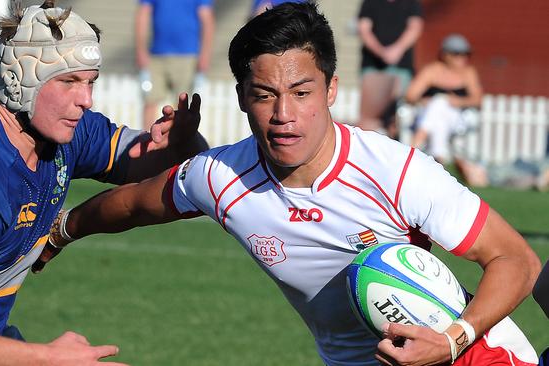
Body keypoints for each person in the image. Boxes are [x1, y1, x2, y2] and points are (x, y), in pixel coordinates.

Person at [36, 2, 541, 365]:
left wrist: (453, 340)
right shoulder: (220, 178)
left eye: (302, 92)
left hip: (478, 356)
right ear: (240, 97)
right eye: (265, 95)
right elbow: (132, 205)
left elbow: (516, 259)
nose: (284, 115)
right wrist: (61, 231)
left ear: (331, 90)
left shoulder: (396, 170)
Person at [0, 1, 207, 365]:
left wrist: (184, 140)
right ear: (20, 78)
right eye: (69, 82)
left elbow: (169, 164)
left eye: (91, 81)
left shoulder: (65, 132)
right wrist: (49, 358)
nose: (86, 99)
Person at [135, 0, 215, 130]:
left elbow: (207, 21)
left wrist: (205, 54)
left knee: (182, 104)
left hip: (187, 56)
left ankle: (178, 142)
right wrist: (140, 50)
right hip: (156, 55)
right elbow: (143, 15)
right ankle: (147, 140)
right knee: (150, 100)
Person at [406, 34, 483, 166]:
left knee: (440, 103)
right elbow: (411, 95)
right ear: (445, 54)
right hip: (431, 115)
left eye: (465, 54)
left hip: (456, 118)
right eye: (457, 54)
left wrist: (457, 101)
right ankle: (439, 160)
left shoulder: (468, 73)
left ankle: (413, 148)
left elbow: (477, 100)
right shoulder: (432, 71)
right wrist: (424, 101)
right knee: (439, 109)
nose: (462, 58)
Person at [357, 0, 424, 139]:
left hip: (401, 67)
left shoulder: (411, 3)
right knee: (371, 117)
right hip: (373, 67)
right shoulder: (370, 3)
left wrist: (397, 50)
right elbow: (364, 29)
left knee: (395, 114)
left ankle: (394, 148)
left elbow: (415, 27)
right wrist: (381, 52)